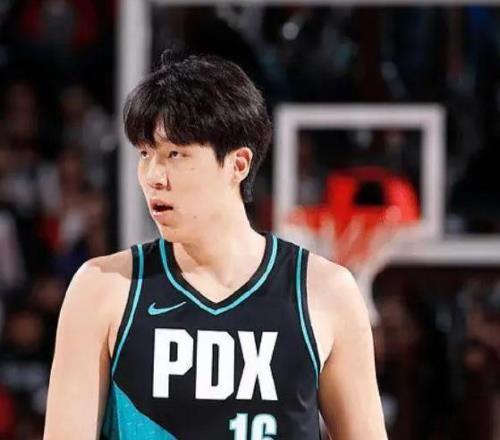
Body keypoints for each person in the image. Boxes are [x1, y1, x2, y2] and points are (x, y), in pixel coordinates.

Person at [43, 50, 387, 440]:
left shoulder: (325, 292)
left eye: (174, 154)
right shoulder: (102, 288)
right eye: (145, 154)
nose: (153, 176)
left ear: (238, 164)